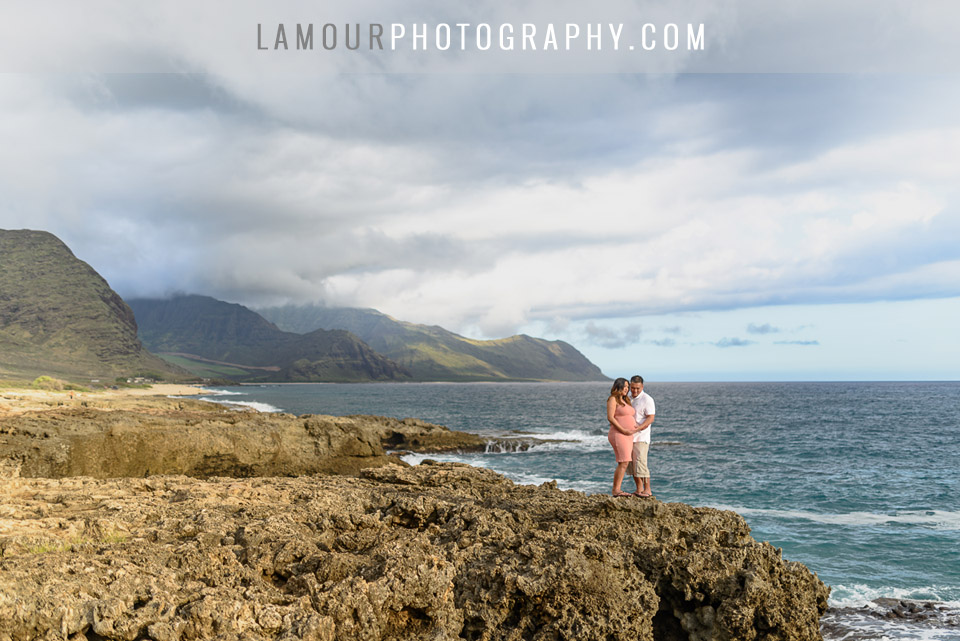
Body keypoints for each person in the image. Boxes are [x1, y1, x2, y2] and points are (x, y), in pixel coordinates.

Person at [606, 377, 637, 497]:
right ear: (618, 386)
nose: (627, 389)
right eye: (625, 386)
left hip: (628, 435)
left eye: (628, 387)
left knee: (625, 462)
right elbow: (610, 417)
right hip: (618, 434)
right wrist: (623, 429)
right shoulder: (612, 399)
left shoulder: (625, 400)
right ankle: (616, 490)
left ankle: (617, 489)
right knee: (623, 461)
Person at [627, 375, 656, 498]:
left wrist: (639, 428)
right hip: (628, 437)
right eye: (632, 388)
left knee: (641, 464)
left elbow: (651, 417)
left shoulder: (647, 399)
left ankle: (647, 490)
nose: (635, 391)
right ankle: (639, 489)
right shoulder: (627, 398)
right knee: (631, 464)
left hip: (641, 437)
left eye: (637, 388)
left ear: (642, 387)